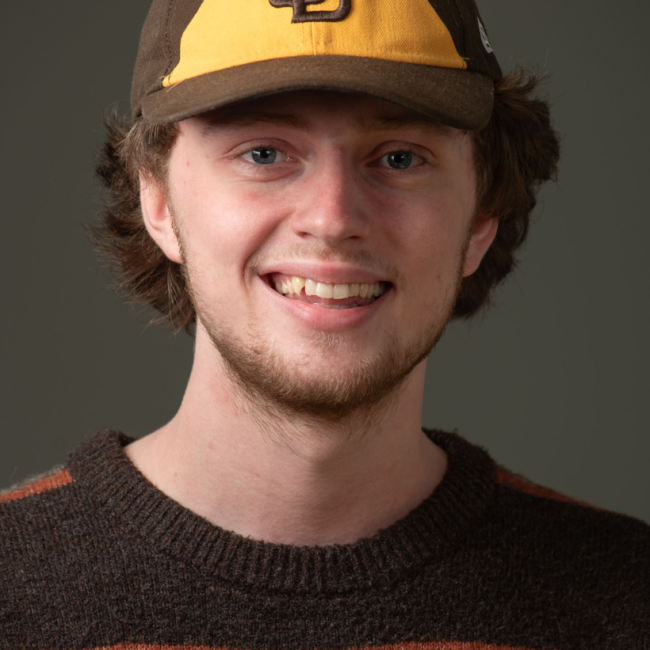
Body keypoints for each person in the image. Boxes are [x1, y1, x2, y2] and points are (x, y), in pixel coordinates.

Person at [1, 0, 647, 647]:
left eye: (399, 158)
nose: (333, 217)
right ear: (159, 200)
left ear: (482, 217)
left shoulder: (628, 599)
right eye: (262, 153)